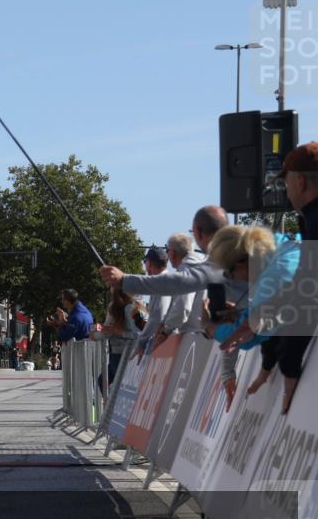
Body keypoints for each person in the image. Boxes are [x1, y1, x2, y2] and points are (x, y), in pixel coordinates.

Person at [222, 142, 318, 413]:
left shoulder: (314, 219)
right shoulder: (308, 219)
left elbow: (307, 294)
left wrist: (289, 369)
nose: (285, 191)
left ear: (300, 182)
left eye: (286, 184)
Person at [100, 205, 233, 347]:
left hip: (197, 343)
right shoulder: (220, 261)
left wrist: (124, 280)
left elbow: (176, 296)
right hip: (220, 339)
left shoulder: (193, 267)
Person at [208, 225, 300, 412]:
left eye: (230, 273)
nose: (235, 279)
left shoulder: (271, 279)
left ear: (240, 264)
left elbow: (240, 337)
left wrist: (208, 326)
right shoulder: (280, 245)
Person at [91, 287, 147, 386]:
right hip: (117, 355)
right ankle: (108, 401)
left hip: (125, 356)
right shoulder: (119, 307)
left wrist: (120, 332)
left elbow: (140, 334)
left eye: (113, 286)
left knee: (116, 387)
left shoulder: (128, 308)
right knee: (102, 382)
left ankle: (110, 401)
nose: (110, 289)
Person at [132, 246, 171, 363]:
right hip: (169, 340)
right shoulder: (166, 280)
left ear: (149, 263)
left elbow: (158, 316)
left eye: (145, 262)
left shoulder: (161, 283)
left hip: (166, 342)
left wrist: (142, 342)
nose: (145, 267)